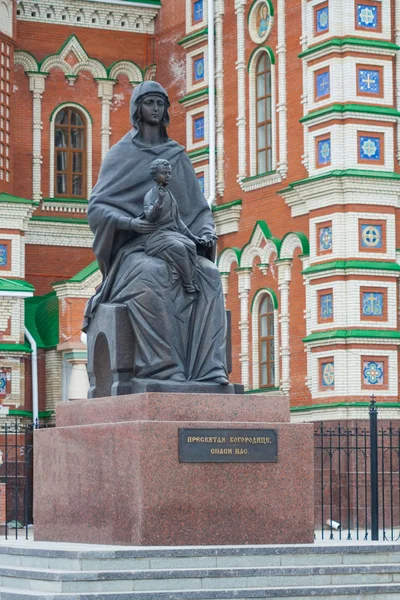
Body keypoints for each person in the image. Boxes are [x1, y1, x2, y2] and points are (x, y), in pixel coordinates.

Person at [84, 81, 229, 386]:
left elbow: (198, 209)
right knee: (152, 276)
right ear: (138, 109)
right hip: (133, 252)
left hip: (175, 241)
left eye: (160, 103)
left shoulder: (176, 156)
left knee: (210, 275)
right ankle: (163, 368)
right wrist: (130, 224)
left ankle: (209, 368)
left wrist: (205, 234)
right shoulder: (120, 155)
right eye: (149, 102)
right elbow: (97, 208)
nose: (155, 108)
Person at [143, 158, 207, 294]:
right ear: (155, 176)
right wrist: (159, 202)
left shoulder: (170, 195)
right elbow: (150, 216)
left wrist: (193, 236)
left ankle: (190, 278)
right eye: (163, 173)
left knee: (190, 245)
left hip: (172, 234)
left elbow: (178, 221)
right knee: (179, 248)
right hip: (156, 236)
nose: (167, 176)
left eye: (169, 173)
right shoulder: (151, 195)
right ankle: (188, 283)